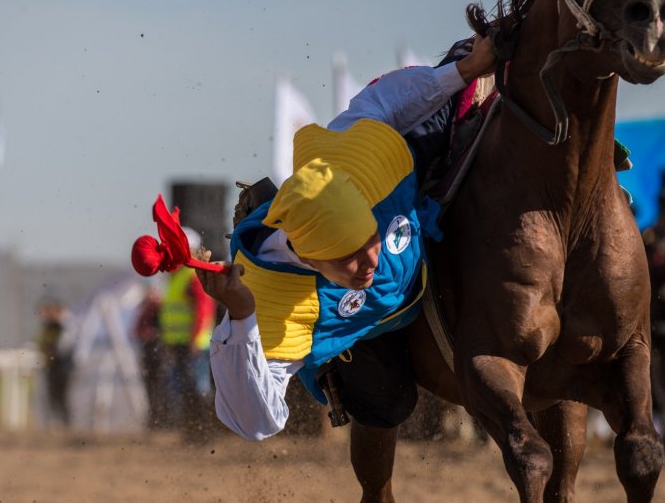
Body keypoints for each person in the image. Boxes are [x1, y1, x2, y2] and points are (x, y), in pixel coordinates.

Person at [194, 35, 496, 440]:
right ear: (307, 257)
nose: (368, 262)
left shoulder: (362, 160)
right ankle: (332, 364)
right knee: (388, 406)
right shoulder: (276, 308)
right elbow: (255, 423)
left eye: (367, 241)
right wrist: (241, 314)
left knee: (470, 76)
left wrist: (466, 69)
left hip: (407, 210)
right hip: (364, 327)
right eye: (346, 257)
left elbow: (383, 102)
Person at [158, 227, 216, 432]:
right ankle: (190, 430)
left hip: (194, 344)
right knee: (182, 388)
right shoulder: (177, 276)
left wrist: (195, 338)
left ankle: (205, 430)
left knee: (198, 387)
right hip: (179, 342)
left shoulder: (192, 275)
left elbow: (204, 310)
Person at [35, 297, 77, 427]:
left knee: (62, 397)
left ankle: (65, 423)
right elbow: (41, 343)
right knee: (52, 397)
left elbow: (65, 347)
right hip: (52, 366)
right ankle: (56, 423)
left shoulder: (64, 326)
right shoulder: (48, 327)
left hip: (62, 367)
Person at [132, 284, 167, 429]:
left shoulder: (159, 308)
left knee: (160, 387)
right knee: (152, 387)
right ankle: (156, 419)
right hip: (150, 352)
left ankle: (162, 420)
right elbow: (137, 331)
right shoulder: (145, 310)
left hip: (159, 351)